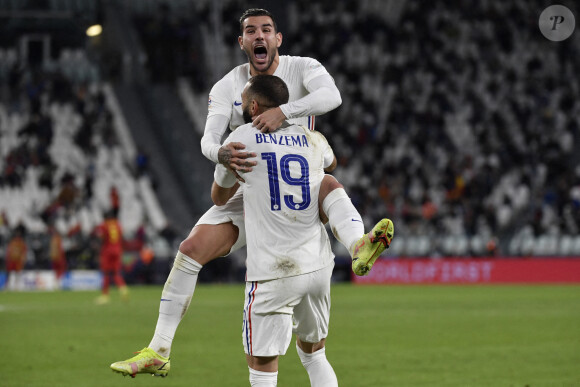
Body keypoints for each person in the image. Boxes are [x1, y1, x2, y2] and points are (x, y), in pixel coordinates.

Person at [110, 8, 390, 378]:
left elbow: (332, 96)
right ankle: (159, 349)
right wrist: (222, 154)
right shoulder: (229, 86)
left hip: (293, 189)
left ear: (278, 39)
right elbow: (209, 139)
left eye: (267, 30)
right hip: (256, 187)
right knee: (190, 249)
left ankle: (357, 245)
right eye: (251, 31)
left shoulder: (303, 67)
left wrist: (283, 113)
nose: (260, 36)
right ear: (241, 42)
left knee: (325, 183)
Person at [215, 75, 388, 386]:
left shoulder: (240, 138)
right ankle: (355, 242)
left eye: (242, 101)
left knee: (262, 363)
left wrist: (237, 171)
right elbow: (331, 163)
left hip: (273, 270)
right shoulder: (312, 137)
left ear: (254, 106)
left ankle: (356, 242)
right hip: (318, 266)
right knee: (314, 354)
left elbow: (219, 197)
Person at [94, 210, 129, 305]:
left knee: (106, 273)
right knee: (116, 272)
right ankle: (123, 289)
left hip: (108, 251)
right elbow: (121, 235)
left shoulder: (104, 225)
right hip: (117, 250)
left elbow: (101, 236)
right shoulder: (117, 224)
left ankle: (105, 296)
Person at [5, 224, 28, 291]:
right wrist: (8, 258)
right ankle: (8, 284)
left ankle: (16, 285)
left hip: (17, 260)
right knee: (10, 273)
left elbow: (24, 251)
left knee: (17, 273)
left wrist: (23, 258)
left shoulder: (21, 243)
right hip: (12, 259)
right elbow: (9, 251)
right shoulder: (13, 243)